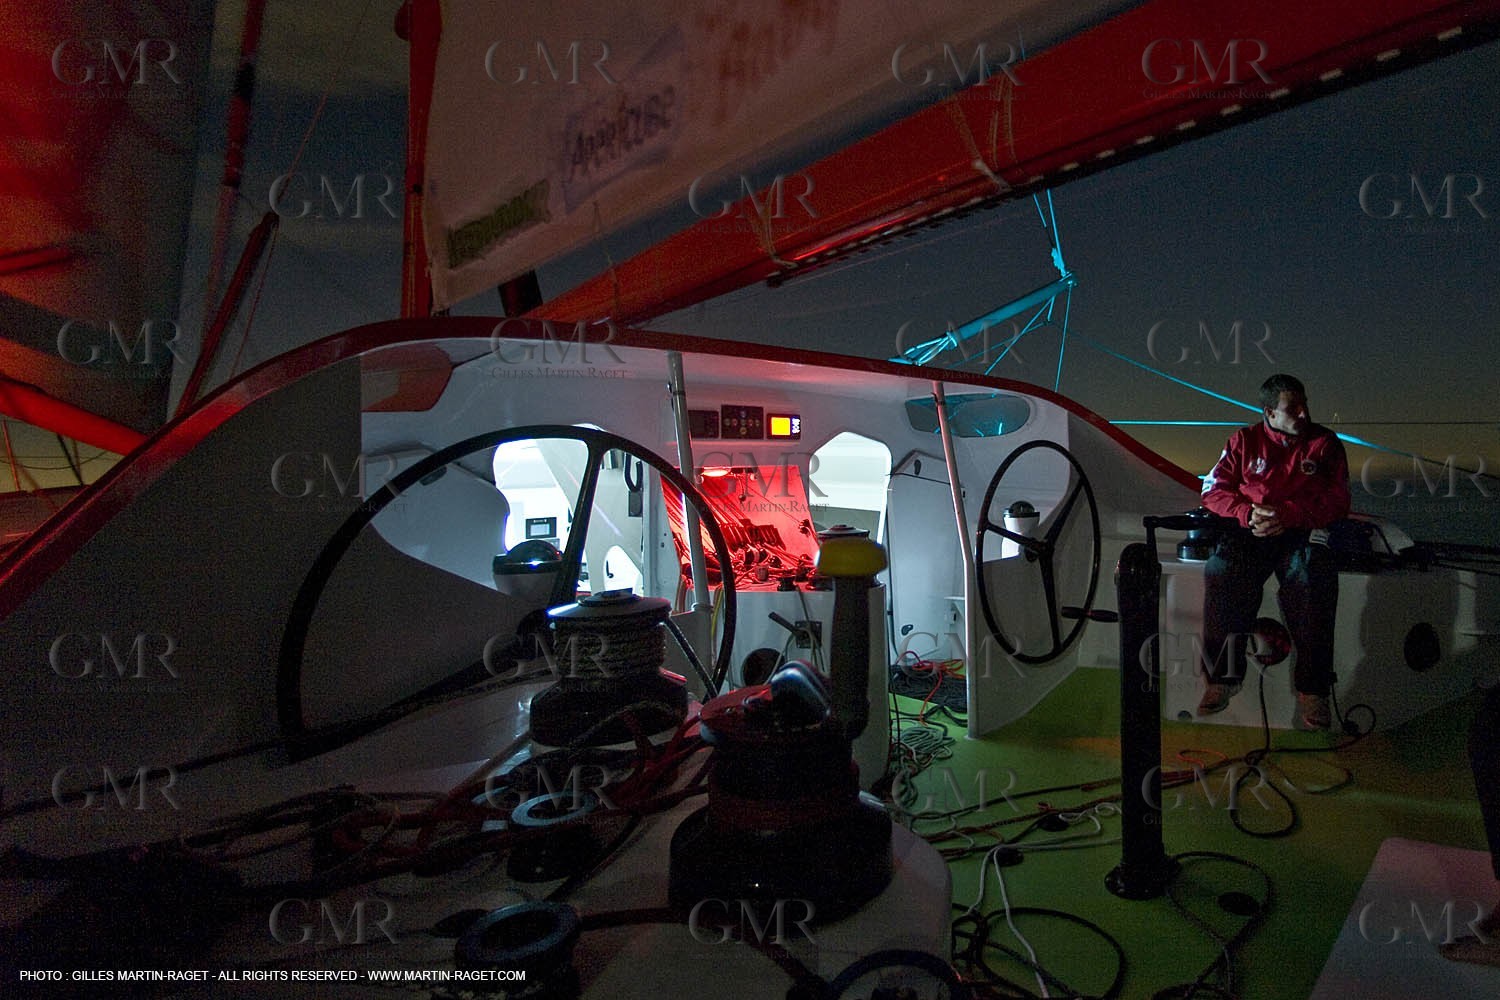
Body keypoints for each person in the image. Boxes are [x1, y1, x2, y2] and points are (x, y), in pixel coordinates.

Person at [1197, 374, 1350, 728]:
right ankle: (1222, 680)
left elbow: (1338, 501)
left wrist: (1289, 514)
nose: (1303, 413)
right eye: (1292, 408)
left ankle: (1313, 693)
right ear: (1269, 413)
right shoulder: (1243, 442)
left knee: (1313, 574)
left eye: (1304, 404)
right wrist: (1247, 513)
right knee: (1222, 571)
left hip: (1300, 529)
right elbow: (1213, 490)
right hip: (1252, 528)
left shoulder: (1324, 444)